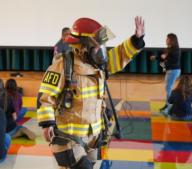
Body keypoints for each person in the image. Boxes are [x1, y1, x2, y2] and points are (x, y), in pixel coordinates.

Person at [37, 16, 145, 168]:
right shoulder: (63, 65)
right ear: (83, 46)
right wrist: (47, 124)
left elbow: (120, 55)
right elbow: (45, 96)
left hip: (93, 136)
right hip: (69, 137)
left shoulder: (99, 64)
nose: (101, 49)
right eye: (96, 45)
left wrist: (136, 40)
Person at [150, 33, 181, 111]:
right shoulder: (168, 49)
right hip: (170, 70)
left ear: (172, 40)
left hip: (174, 70)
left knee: (168, 88)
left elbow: (174, 60)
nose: (166, 40)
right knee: (168, 88)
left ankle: (169, 107)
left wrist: (165, 58)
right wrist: (156, 57)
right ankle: (168, 105)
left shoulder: (176, 49)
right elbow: (163, 58)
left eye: (167, 39)